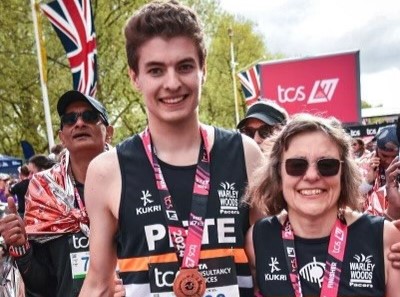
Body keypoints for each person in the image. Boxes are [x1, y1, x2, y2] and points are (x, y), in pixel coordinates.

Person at [79, 1, 263, 296]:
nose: (173, 83)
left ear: (202, 69)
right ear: (134, 77)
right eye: (156, 70)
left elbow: (269, 267)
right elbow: (98, 282)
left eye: (185, 66)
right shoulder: (107, 171)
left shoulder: (246, 154)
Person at [244, 113, 400, 296]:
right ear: (278, 174)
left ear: (343, 173)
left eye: (327, 165)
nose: (311, 176)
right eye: (296, 165)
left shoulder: (384, 238)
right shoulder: (257, 239)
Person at [0, 90, 117, 297]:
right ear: (62, 137)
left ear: (108, 132)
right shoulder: (45, 194)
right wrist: (20, 247)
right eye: (70, 119)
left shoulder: (134, 184)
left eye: (89, 116)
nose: (79, 123)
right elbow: (43, 286)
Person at [358, 125, 400, 219]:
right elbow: (350, 197)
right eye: (384, 156)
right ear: (377, 149)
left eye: (394, 156)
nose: (389, 161)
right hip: (369, 223)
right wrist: (367, 182)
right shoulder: (363, 164)